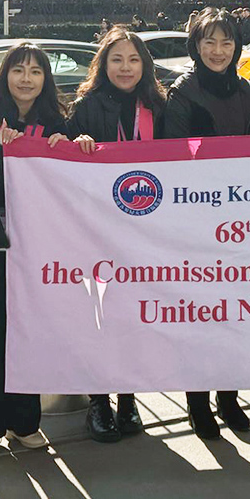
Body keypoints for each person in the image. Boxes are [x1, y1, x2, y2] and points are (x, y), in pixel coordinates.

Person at [0, 43, 76, 461]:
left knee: (30, 334)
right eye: (18, 70)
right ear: (4, 75)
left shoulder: (55, 122)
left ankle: (25, 422)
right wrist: (1, 151)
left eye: (35, 71)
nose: (26, 79)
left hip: (38, 248)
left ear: (46, 79)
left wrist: (72, 148)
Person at [161, 8, 250, 439]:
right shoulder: (182, 94)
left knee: (235, 315)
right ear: (196, 47)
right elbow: (174, 159)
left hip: (239, 220)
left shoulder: (247, 92)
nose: (218, 51)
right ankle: (198, 403)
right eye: (209, 42)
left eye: (226, 43)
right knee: (199, 317)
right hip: (196, 221)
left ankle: (229, 396)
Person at [68, 27, 169, 443]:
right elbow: (61, 158)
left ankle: (129, 400)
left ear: (144, 65)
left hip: (146, 230)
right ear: (103, 64)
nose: (125, 68)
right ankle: (99, 402)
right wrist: (76, 143)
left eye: (133, 60)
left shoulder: (159, 107)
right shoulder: (85, 107)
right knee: (100, 316)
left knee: (135, 319)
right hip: (97, 232)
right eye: (116, 60)